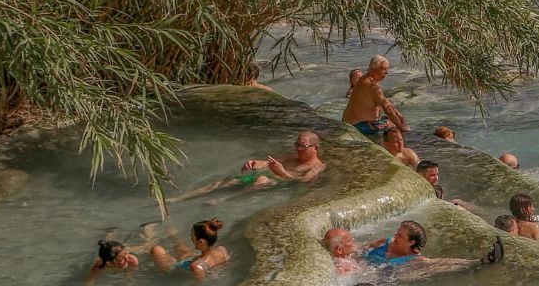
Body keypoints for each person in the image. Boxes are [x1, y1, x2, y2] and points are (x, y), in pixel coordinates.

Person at [172, 132, 325, 200]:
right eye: (297, 145)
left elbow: (303, 180)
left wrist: (283, 172)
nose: (298, 149)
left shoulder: (318, 166)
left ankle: (226, 199)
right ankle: (182, 197)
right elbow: (267, 163)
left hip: (276, 182)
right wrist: (253, 162)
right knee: (226, 181)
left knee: (262, 180)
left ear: (315, 148)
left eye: (303, 146)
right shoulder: (291, 158)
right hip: (266, 176)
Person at [343, 57, 408, 139]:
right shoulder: (371, 85)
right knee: (393, 126)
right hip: (359, 126)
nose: (386, 72)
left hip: (350, 122)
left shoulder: (365, 80)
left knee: (394, 120)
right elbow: (388, 109)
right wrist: (401, 127)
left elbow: (385, 102)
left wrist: (399, 115)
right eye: (384, 69)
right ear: (374, 69)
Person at [148, 219, 228, 281]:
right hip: (194, 260)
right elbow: (225, 263)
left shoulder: (196, 266)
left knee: (156, 249)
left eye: (192, 238)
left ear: (200, 241)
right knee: (183, 250)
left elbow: (196, 285)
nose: (191, 240)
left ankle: (150, 239)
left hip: (177, 270)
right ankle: (173, 236)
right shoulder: (222, 250)